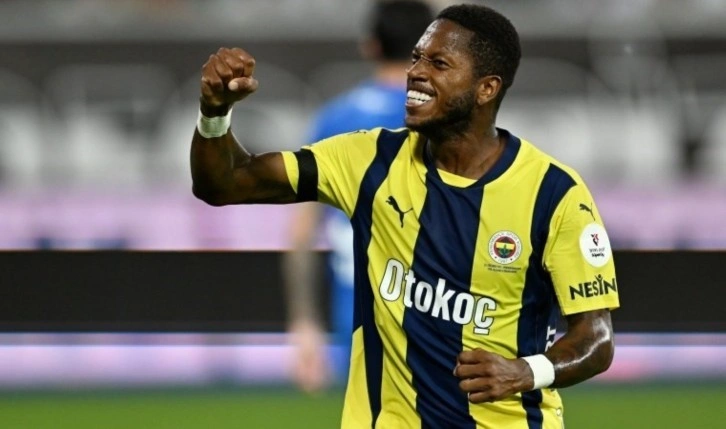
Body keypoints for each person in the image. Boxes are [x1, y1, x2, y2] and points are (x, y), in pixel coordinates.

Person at [190, 3, 620, 428]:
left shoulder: (554, 194)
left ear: (486, 89)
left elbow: (596, 339)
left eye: (438, 63)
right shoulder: (367, 159)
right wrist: (214, 113)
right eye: (416, 58)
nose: (415, 72)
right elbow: (225, 183)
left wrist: (526, 371)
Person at [282, 0, 435, 393]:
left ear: (370, 46)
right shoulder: (450, 118)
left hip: (359, 317)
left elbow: (302, 232)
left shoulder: (336, 120)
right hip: (444, 313)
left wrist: (304, 322)